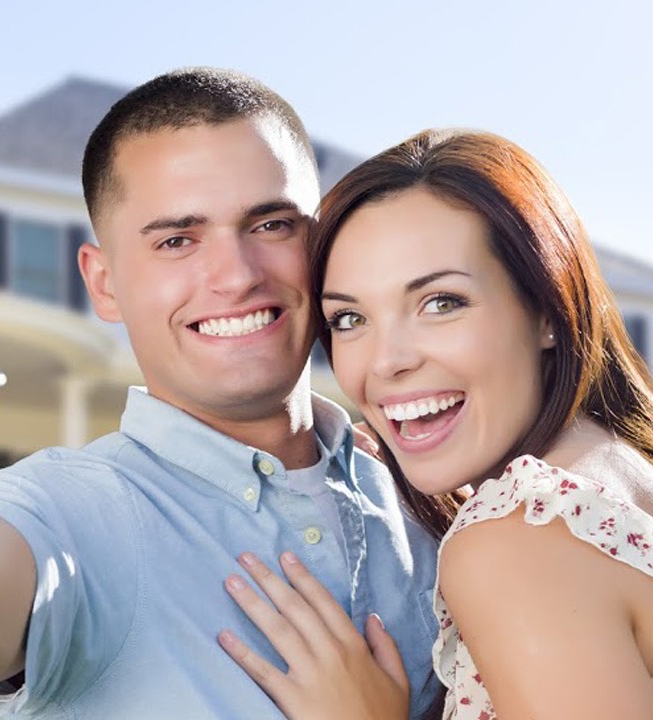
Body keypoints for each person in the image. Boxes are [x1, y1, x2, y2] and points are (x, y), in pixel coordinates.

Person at [0, 67, 442, 718]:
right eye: (177, 241)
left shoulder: (422, 489)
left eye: (271, 224)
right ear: (103, 282)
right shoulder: (75, 511)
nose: (236, 275)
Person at [215, 129, 653, 719]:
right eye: (348, 318)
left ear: (548, 310)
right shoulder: (619, 467)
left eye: (441, 302)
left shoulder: (519, 541)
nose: (387, 361)